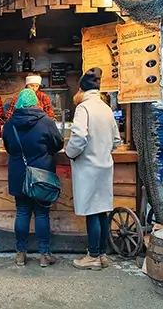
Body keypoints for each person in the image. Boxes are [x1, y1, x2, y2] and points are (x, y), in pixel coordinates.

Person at [65, 67, 121, 270]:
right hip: (105, 166)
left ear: (81, 89)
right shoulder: (106, 108)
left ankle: (93, 256)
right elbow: (116, 140)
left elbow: (78, 137)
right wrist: (104, 149)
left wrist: (70, 153)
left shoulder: (84, 108)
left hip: (88, 166)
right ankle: (103, 254)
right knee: (102, 211)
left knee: (91, 211)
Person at [2, 88, 64, 268]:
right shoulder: (46, 122)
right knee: (42, 213)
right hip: (42, 174)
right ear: (35, 102)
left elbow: (8, 147)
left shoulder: (10, 124)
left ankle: (21, 254)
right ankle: (44, 255)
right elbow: (58, 144)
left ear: (19, 103)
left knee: (22, 212)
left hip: (18, 174)